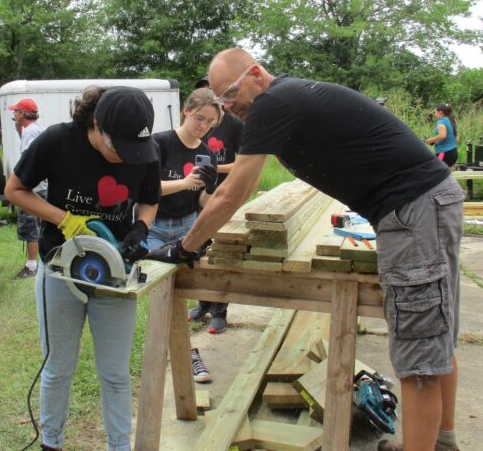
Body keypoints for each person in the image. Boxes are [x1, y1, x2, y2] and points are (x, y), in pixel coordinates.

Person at [148, 48, 465, 451]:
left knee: (418, 355)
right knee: (435, 338)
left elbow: (233, 192)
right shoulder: (287, 100)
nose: (228, 105)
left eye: (229, 93)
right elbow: (243, 178)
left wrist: (184, 248)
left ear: (256, 74)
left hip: (413, 213)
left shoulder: (273, 102)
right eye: (219, 100)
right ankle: (443, 442)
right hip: (425, 206)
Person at [4, 86, 160, 451]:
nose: (125, 159)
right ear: (96, 125)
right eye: (116, 149)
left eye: (132, 151)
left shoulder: (145, 152)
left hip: (115, 274)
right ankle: (51, 443)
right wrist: (66, 220)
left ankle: (119, 447)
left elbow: (150, 201)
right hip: (60, 268)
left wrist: (140, 228)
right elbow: (15, 190)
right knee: (58, 367)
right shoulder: (58, 140)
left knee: (116, 373)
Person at [148, 87, 221, 381]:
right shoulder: (159, 143)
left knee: (180, 290)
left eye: (209, 122)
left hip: (188, 225)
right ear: (186, 111)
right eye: (199, 117)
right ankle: (186, 354)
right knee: (161, 291)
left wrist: (210, 188)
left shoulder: (207, 154)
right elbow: (146, 190)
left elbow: (203, 203)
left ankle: (184, 352)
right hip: (154, 226)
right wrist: (185, 183)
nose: (202, 126)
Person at [188, 76, 245, 334]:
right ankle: (202, 304)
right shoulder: (194, 124)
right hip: (196, 197)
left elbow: (243, 164)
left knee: (220, 254)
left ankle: (220, 312)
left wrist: (212, 168)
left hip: (224, 196)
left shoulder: (233, 124)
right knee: (197, 251)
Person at [8, 97, 47, 278]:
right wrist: (18, 129)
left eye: (15, 111)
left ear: (23, 113)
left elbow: (29, 161)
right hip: (43, 186)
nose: (13, 114)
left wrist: (24, 187)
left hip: (33, 187)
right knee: (42, 225)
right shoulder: (35, 129)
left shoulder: (31, 132)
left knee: (31, 227)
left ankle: (31, 267)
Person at [425, 103, 458, 168]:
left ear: (440, 112)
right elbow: (456, 138)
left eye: (435, 112)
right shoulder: (450, 120)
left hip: (443, 153)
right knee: (445, 174)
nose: (434, 114)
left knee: (436, 171)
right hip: (453, 152)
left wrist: (430, 140)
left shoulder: (441, 122)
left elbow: (442, 135)